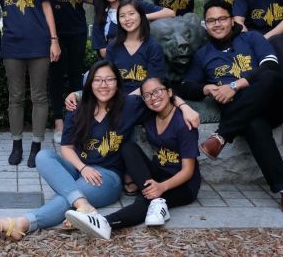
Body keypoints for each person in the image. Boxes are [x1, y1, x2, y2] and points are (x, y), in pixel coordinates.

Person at [178, 0, 283, 225]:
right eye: (211, 21)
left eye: (221, 18)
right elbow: (186, 86)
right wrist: (207, 88)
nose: (217, 24)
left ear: (231, 20)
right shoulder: (203, 54)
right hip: (245, 115)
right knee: (253, 125)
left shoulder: (252, 38)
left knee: (269, 76)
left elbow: (270, 65)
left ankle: (222, 135)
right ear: (206, 24)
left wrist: (235, 85)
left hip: (272, 103)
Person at [0, 60, 143, 240]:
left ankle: (23, 223)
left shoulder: (129, 106)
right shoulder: (78, 108)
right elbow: (66, 148)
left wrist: (180, 105)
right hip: (78, 168)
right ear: (89, 85)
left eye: (109, 80)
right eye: (97, 80)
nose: (103, 85)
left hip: (107, 177)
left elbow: (154, 90)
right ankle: (83, 205)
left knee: (68, 196)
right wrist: (83, 168)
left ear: (118, 84)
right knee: (43, 156)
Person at [66, 77, 201, 239]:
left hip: (184, 185)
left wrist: (162, 187)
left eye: (158, 91)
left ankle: (104, 223)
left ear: (170, 92)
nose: (154, 97)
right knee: (127, 147)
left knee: (145, 201)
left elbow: (188, 171)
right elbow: (114, 98)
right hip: (158, 173)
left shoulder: (184, 123)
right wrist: (76, 95)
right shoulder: (149, 115)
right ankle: (154, 198)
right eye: (148, 95)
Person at [0, 0, 60, 168]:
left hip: (39, 42)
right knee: (15, 96)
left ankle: (36, 145)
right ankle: (16, 144)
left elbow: (46, 6)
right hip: (11, 42)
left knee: (39, 95)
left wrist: (54, 40)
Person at [47, 0, 89, 144]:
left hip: (79, 31)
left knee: (76, 77)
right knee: (55, 77)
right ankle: (58, 122)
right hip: (55, 33)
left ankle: (75, 120)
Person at [91, 0, 174, 58]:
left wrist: (141, 17)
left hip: (142, 60)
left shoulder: (134, 4)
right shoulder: (101, 16)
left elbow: (170, 13)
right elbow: (103, 52)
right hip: (115, 63)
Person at [104, 0, 166, 94]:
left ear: (141, 16)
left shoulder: (153, 47)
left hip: (146, 98)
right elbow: (106, 78)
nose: (127, 19)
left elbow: (154, 83)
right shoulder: (113, 47)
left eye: (131, 13)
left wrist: (129, 99)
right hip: (116, 98)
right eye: (122, 16)